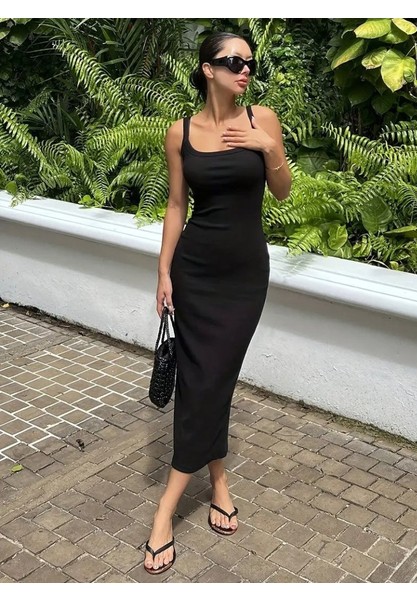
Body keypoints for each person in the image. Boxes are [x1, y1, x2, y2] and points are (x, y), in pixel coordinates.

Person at [144, 31, 292, 575]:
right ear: (208, 69)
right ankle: (219, 484)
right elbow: (176, 204)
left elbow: (284, 191)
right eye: (234, 61)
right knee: (203, 382)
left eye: (250, 62)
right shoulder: (180, 132)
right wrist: (164, 270)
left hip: (244, 277)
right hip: (195, 272)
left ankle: (165, 509)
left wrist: (268, 148)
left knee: (212, 380)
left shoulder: (262, 119)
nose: (245, 69)